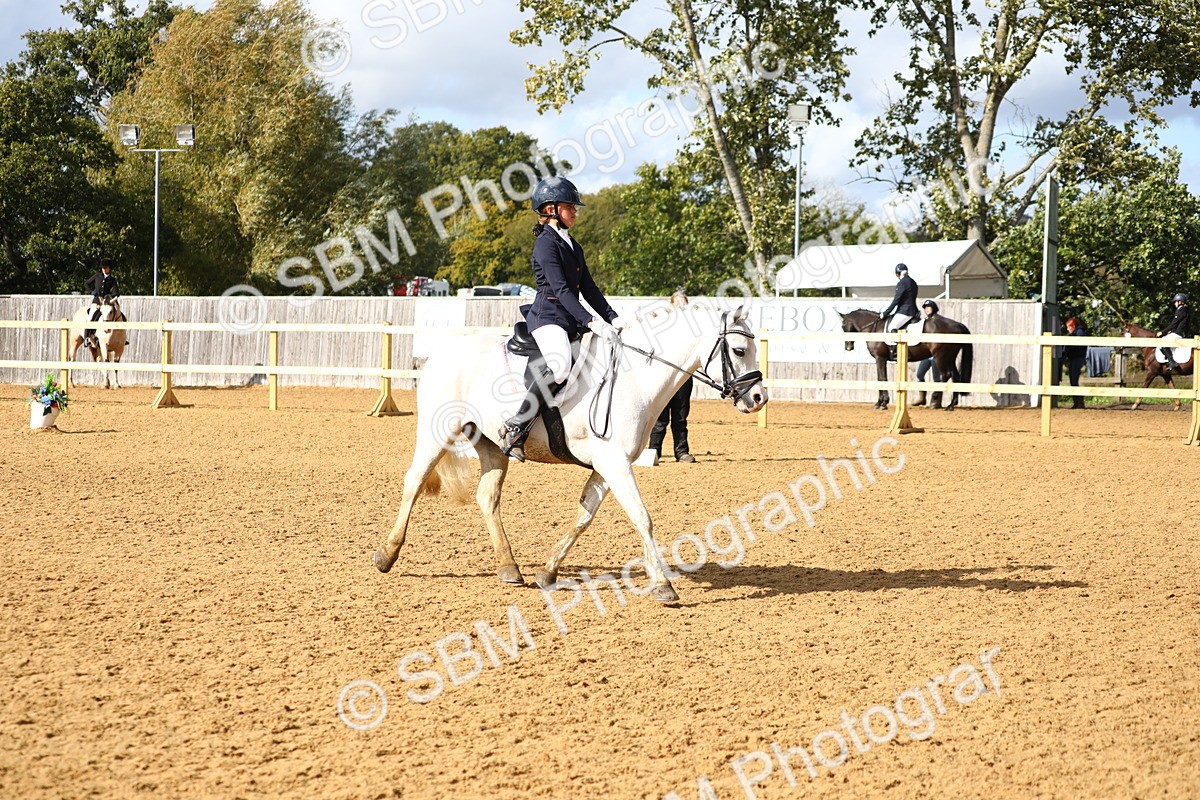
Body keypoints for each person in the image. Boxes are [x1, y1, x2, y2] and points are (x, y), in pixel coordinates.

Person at [498, 176, 624, 462]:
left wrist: (613, 317)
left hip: (569, 318)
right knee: (559, 366)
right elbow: (562, 290)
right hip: (548, 316)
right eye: (570, 207)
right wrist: (590, 321)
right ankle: (516, 426)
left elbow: (589, 288)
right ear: (551, 209)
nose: (575, 212)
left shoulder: (572, 244)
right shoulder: (545, 244)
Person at [649, 290, 696, 463]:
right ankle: (654, 451)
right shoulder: (663, 327)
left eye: (684, 304)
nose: (681, 307)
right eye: (678, 304)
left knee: (680, 416)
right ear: (671, 306)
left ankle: (682, 452)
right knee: (660, 416)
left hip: (684, 376)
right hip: (664, 375)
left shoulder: (693, 330)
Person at [880, 263, 919, 359]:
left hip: (905, 312)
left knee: (892, 327)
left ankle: (897, 352)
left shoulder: (901, 283)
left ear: (897, 274)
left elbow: (896, 300)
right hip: (914, 310)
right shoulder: (913, 282)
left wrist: (885, 313)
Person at [82, 258, 120, 349]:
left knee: (120, 315)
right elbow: (86, 284)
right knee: (91, 317)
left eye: (105, 268)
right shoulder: (97, 276)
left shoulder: (112, 280)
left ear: (109, 268)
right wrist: (92, 291)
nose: (103, 269)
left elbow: (116, 292)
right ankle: (87, 337)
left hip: (106, 304)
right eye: (103, 268)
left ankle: (122, 337)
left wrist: (108, 297)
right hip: (97, 302)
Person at [912, 299, 942, 407]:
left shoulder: (939, 321)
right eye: (925, 308)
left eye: (929, 307)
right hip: (926, 354)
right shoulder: (924, 322)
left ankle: (936, 400)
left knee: (937, 377)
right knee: (919, 374)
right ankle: (922, 397)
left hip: (935, 354)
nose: (927, 309)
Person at [1157, 293, 1192, 372]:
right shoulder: (1184, 310)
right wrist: (1171, 331)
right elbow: (1179, 324)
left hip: (1179, 334)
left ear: (1181, 302)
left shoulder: (1181, 310)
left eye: (1176, 302)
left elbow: (1173, 324)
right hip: (1179, 332)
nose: (1174, 303)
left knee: (1162, 342)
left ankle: (1172, 362)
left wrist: (1162, 332)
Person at [1063, 317, 1087, 409]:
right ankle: (1077, 402)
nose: (1067, 329)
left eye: (1068, 327)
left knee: (1074, 380)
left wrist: (1069, 350)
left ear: (1073, 326)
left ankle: (1079, 402)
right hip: (1074, 358)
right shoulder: (1075, 333)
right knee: (1073, 380)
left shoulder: (1079, 333)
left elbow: (1079, 345)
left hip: (1077, 358)